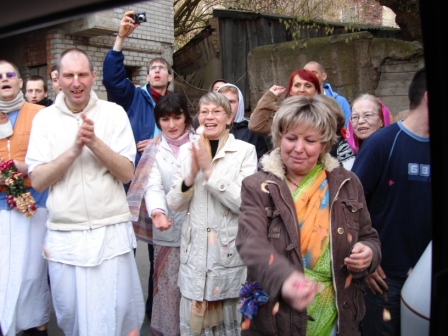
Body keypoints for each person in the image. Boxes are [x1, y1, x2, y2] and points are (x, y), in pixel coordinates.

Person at [236, 95, 381, 335]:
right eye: (291, 138)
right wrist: (285, 279)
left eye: (310, 140)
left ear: (324, 145)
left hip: (337, 313)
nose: (298, 148)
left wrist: (369, 253)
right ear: (278, 138)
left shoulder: (347, 183)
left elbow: (369, 236)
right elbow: (250, 243)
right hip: (277, 317)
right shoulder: (259, 186)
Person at [25, 48, 144, 335]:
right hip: (65, 235)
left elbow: (127, 173)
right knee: (71, 315)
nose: (76, 82)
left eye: (82, 74)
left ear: (93, 77)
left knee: (116, 313)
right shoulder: (44, 119)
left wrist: (94, 143)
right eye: (69, 75)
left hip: (110, 231)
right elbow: (38, 180)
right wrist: (73, 151)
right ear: (57, 80)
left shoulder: (114, 114)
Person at [166, 92, 258, 335]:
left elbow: (244, 203)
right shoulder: (187, 150)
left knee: (230, 328)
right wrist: (189, 177)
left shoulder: (245, 151)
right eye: (204, 111)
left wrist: (208, 171)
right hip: (194, 257)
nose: (209, 117)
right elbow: (174, 204)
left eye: (216, 112)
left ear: (229, 118)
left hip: (227, 257)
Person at [103, 10, 173, 319]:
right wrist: (120, 39)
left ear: (169, 76)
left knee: (158, 249)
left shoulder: (175, 104)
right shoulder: (134, 97)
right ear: (147, 76)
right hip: (133, 183)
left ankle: (152, 308)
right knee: (125, 247)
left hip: (165, 184)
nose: (157, 71)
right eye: (153, 68)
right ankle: (121, 307)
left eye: (162, 68)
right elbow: (113, 79)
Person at [352, 68, 431, 335]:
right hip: (386, 280)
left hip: (429, 280)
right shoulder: (383, 143)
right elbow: (347, 206)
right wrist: (367, 258)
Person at [127, 92, 197, 335]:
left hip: (199, 231)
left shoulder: (202, 144)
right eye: (165, 120)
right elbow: (152, 184)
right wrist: (157, 212)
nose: (171, 125)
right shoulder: (154, 149)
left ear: (186, 117)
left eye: (177, 118)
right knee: (167, 289)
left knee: (196, 290)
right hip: (166, 230)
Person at [0, 60, 49, 336]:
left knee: (31, 272)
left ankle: (36, 325)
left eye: (10, 74)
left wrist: (26, 167)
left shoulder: (40, 113)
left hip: (35, 203)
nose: (4, 79)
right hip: (1, 204)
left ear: (20, 82)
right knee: (4, 272)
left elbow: (51, 156)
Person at [248, 69, 320, 136]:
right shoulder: (283, 115)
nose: (302, 89)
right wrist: (270, 97)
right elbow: (256, 126)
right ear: (291, 90)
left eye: (308, 86)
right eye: (297, 85)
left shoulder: (324, 114)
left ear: (316, 91)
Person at [217, 83, 268, 160]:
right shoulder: (209, 129)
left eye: (231, 101)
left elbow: (261, 162)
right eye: (222, 101)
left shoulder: (252, 131)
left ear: (240, 104)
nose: (227, 105)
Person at [343, 94, 392, 170]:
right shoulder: (343, 151)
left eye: (367, 115)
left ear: (382, 120)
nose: (360, 121)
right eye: (355, 117)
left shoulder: (393, 150)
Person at [304, 61, 351, 127]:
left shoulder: (339, 101)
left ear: (324, 76)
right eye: (305, 74)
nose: (309, 76)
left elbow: (348, 130)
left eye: (313, 73)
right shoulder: (299, 102)